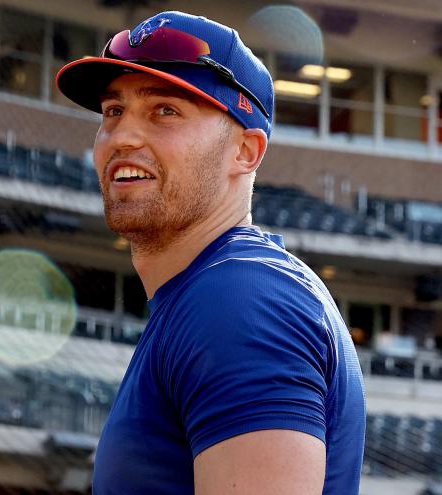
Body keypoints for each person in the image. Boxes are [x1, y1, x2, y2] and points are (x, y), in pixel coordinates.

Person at [56, 11, 366, 494]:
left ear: (246, 151)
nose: (122, 137)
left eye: (165, 111)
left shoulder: (239, 299)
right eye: (113, 111)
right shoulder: (214, 291)